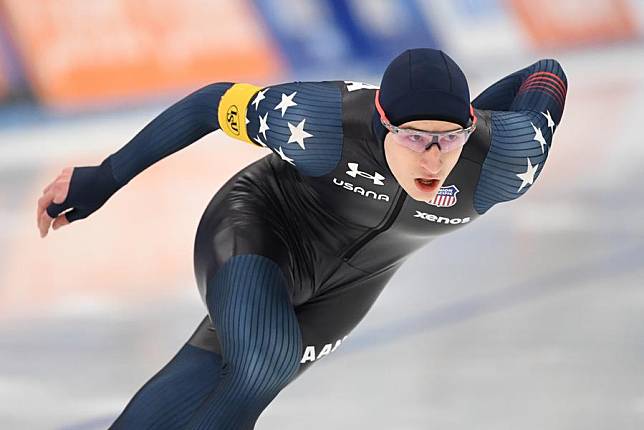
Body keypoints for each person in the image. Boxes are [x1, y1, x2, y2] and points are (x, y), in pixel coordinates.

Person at [36, 48, 567, 429]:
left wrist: (471, 117)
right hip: (261, 227)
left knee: (225, 371)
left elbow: (546, 73)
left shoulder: (507, 158)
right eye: (412, 137)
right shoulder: (325, 123)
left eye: (448, 138)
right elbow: (210, 104)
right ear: (382, 123)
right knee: (263, 357)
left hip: (354, 285)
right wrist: (104, 178)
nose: (432, 158)